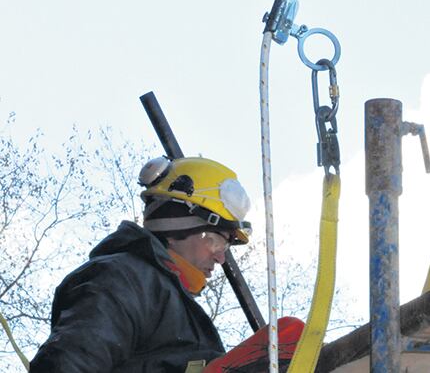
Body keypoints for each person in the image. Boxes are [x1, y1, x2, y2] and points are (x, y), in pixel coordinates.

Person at [30, 156, 300, 372]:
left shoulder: (177, 308)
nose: (220, 257)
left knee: (288, 341)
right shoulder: (123, 279)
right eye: (217, 242)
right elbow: (71, 361)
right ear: (178, 226)